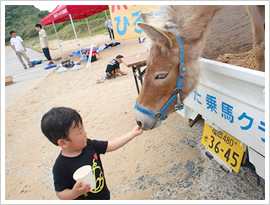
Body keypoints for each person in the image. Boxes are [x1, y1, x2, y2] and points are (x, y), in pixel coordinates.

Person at [41, 107, 143, 200]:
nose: (85, 133)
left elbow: (111, 144)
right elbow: (60, 192)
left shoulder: (89, 145)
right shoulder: (61, 166)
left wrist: (132, 134)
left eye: (83, 129)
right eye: (80, 132)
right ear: (63, 143)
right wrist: (74, 193)